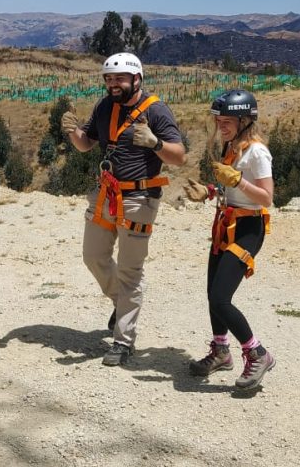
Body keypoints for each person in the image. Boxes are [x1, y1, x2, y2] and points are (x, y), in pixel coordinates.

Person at [61, 52, 185, 366]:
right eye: (109, 78)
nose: (113, 84)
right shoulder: (104, 107)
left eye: (119, 78)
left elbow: (179, 157)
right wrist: (72, 132)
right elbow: (86, 144)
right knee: (93, 256)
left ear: (136, 79)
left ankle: (123, 341)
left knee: (130, 270)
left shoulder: (156, 111)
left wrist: (155, 143)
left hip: (139, 199)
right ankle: (121, 302)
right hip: (106, 193)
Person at [183, 89, 275, 391]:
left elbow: (266, 198)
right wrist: (210, 191)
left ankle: (257, 352)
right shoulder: (232, 148)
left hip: (248, 228)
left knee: (221, 298)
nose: (221, 127)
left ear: (246, 120)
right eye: (219, 121)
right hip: (227, 223)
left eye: (228, 121)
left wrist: (238, 180)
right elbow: (230, 188)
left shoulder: (257, 152)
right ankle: (221, 351)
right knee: (213, 294)